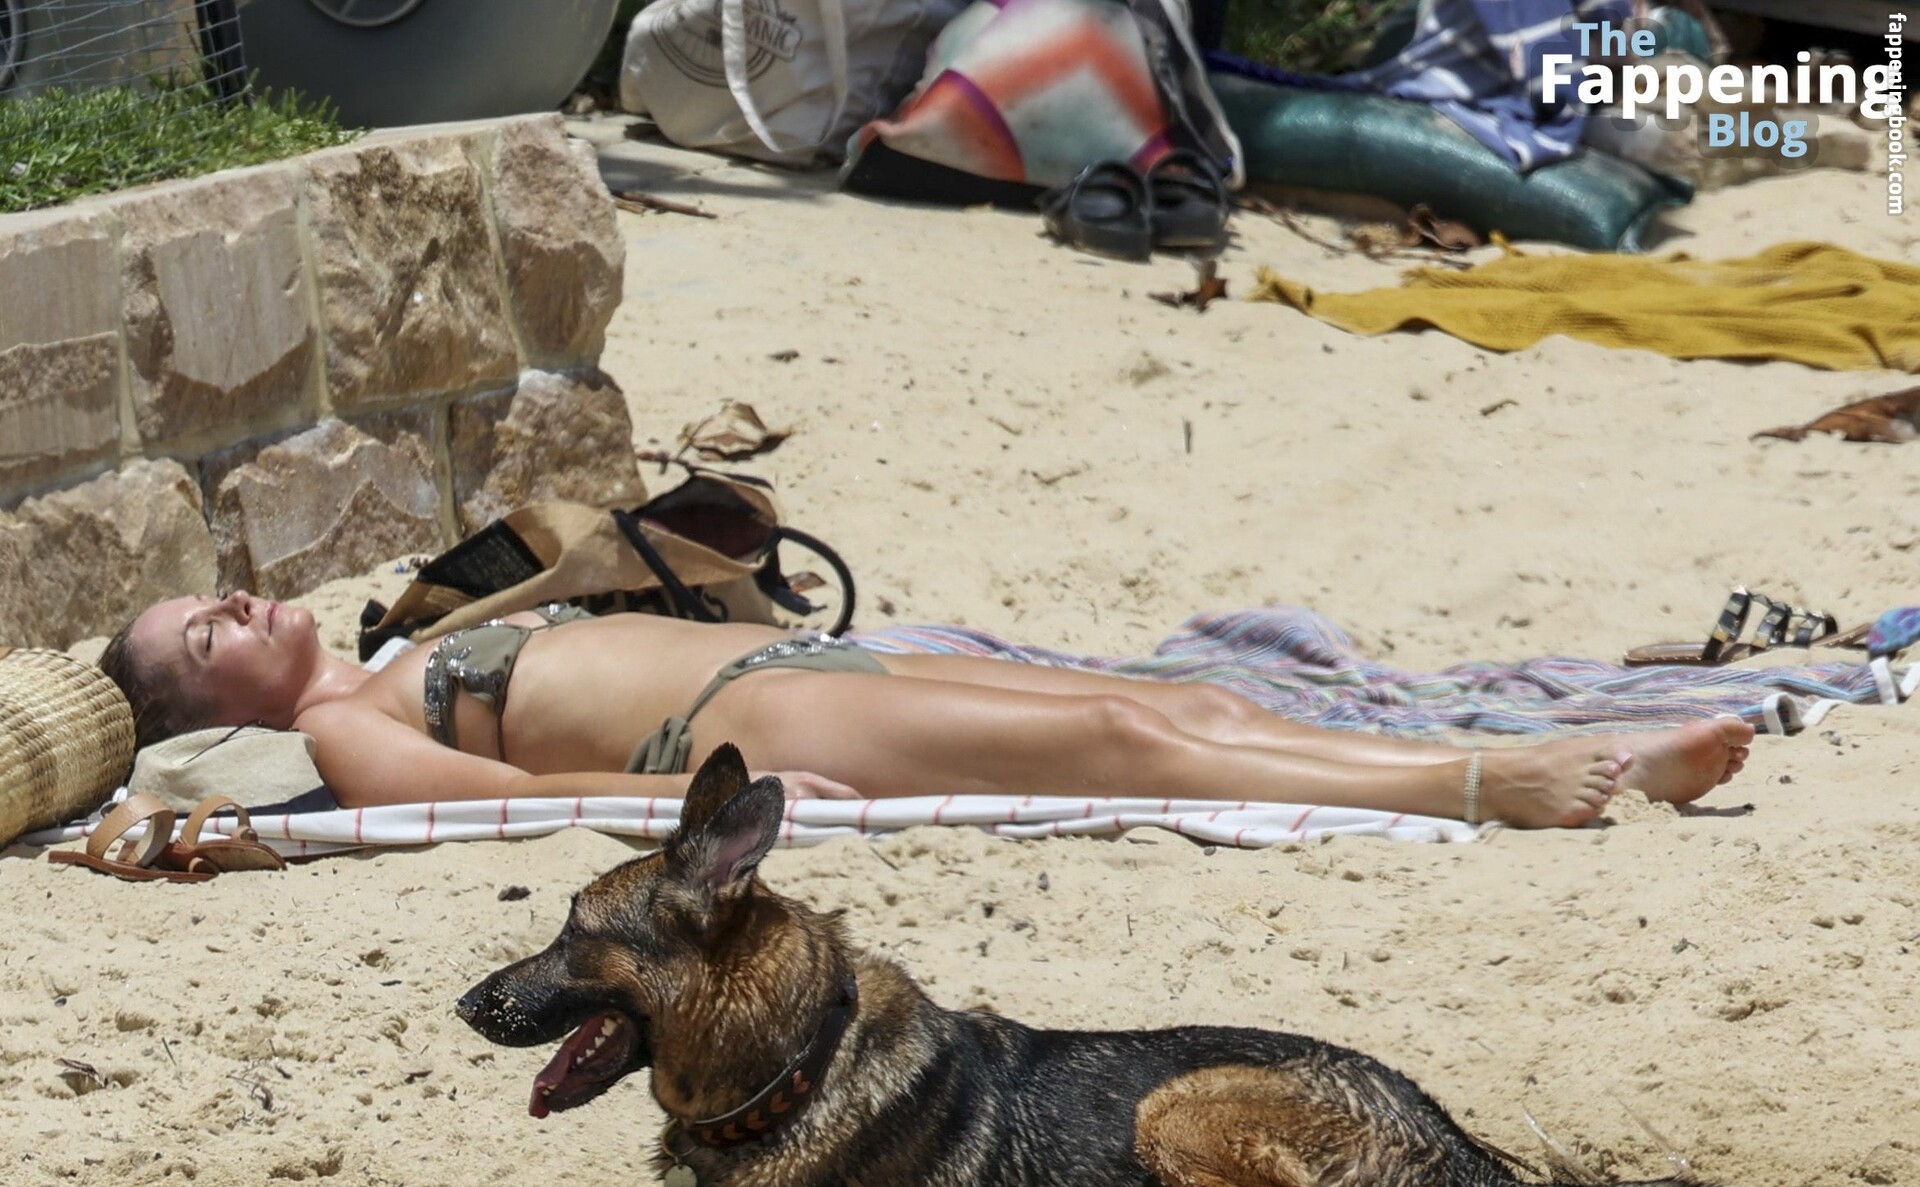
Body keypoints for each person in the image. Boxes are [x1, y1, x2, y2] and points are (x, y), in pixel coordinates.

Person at [99, 590, 1756, 829]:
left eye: (220, 591)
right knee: (1125, 750)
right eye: (206, 631)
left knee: (1170, 697)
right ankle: (1490, 785)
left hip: (804, 672)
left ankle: (1498, 754)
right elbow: (482, 805)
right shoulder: (342, 727)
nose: (237, 603)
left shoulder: (390, 645)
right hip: (745, 736)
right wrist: (699, 803)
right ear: (204, 698)